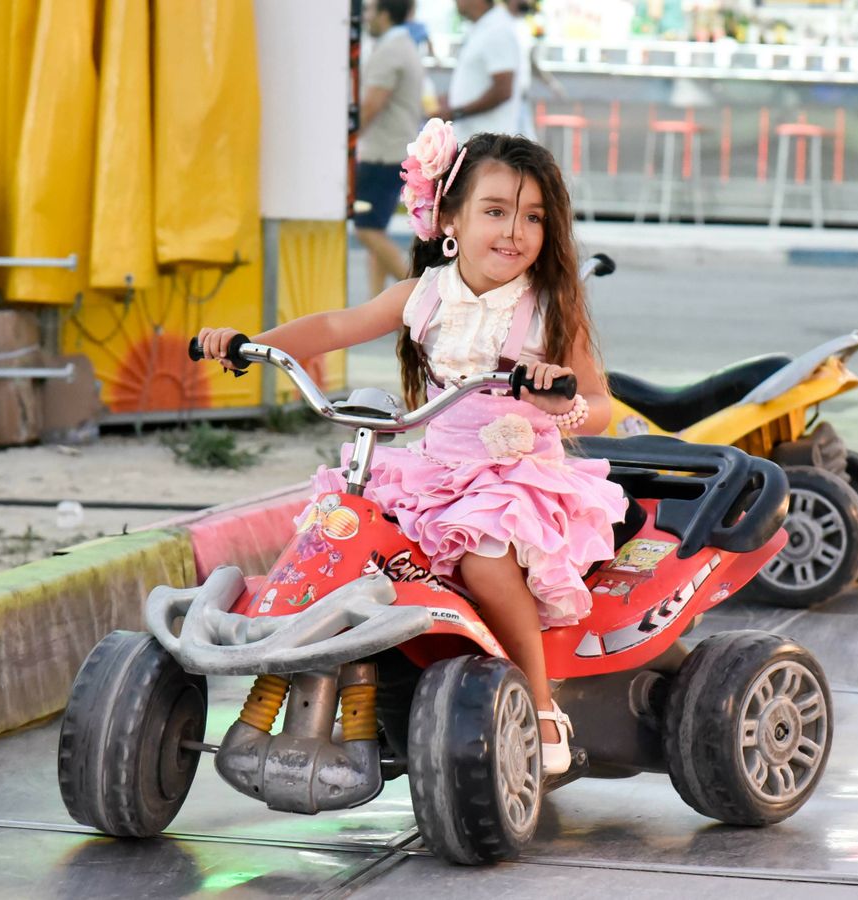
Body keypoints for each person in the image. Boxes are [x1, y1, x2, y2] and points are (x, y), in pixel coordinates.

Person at [197, 122, 626, 775]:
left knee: (485, 559)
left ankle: (541, 705)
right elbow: (335, 325)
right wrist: (253, 344)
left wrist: (558, 402)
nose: (514, 231)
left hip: (515, 478)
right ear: (449, 218)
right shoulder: (424, 295)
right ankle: (347, 676)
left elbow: (600, 404)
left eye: (533, 217)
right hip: (436, 469)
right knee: (346, 535)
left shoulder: (547, 307)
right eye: (495, 211)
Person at [356, 0, 426, 295]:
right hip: (394, 151)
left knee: (367, 229)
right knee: (377, 230)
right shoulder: (403, 47)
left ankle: (419, 296)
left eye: (370, 11)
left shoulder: (390, 52)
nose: (365, 17)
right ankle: (378, 305)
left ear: (384, 15)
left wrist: (347, 141)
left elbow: (371, 105)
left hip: (382, 155)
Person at [437, 0, 520, 143]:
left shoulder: (497, 30)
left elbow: (503, 90)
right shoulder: (482, 28)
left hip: (488, 144)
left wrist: (457, 112)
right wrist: (450, 100)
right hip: (475, 140)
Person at [507, 0, 567, 141]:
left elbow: (531, 62)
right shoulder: (501, 25)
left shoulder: (524, 26)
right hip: (504, 101)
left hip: (520, 99)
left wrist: (551, 83)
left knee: (526, 144)